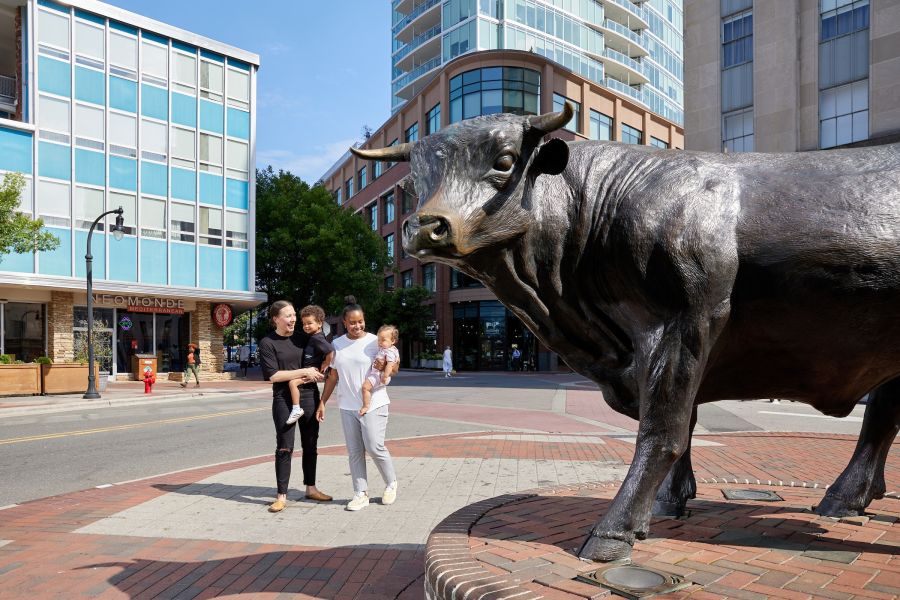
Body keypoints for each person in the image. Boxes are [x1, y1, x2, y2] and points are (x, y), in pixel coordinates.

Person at [318, 296, 398, 511]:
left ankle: (391, 484)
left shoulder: (376, 341)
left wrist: (385, 368)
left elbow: (394, 366)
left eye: (360, 321)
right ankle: (360, 493)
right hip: (347, 405)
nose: (357, 325)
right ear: (344, 322)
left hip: (375, 402)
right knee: (354, 451)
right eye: (352, 322)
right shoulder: (337, 344)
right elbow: (333, 377)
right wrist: (322, 402)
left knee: (374, 446)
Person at [258, 300, 332, 513]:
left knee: (311, 445)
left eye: (293, 315)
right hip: (283, 398)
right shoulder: (267, 343)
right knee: (284, 446)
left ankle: (311, 488)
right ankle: (281, 495)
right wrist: (304, 372)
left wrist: (321, 370)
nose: (292, 320)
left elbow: (323, 358)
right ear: (276, 319)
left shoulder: (304, 338)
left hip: (309, 396)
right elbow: (273, 375)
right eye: (288, 316)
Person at [286, 305, 334, 425]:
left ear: (319, 323)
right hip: (309, 370)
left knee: (292, 383)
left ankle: (296, 409)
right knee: (293, 383)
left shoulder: (318, 338)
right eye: (304, 324)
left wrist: (326, 363)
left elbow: (330, 351)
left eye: (309, 323)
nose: (306, 326)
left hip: (311, 371)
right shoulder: (314, 336)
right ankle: (296, 408)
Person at [360, 325, 399, 416]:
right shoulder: (385, 349)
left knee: (365, 388)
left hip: (379, 375)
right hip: (378, 374)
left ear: (392, 341)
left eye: (383, 340)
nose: (380, 342)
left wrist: (385, 376)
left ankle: (366, 406)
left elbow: (390, 364)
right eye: (379, 340)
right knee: (367, 388)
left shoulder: (389, 351)